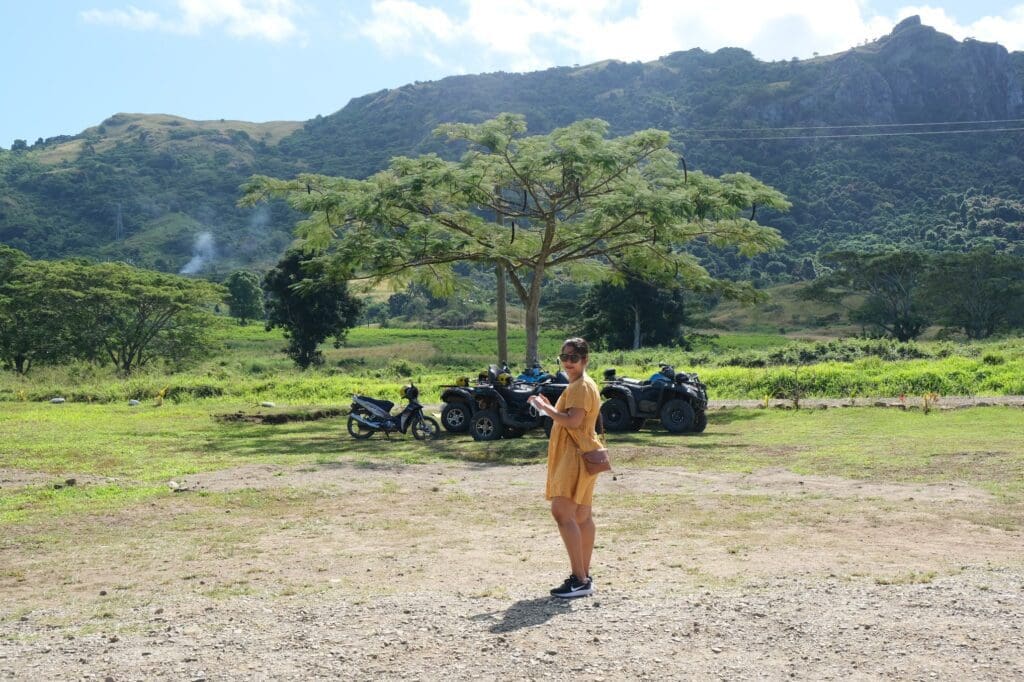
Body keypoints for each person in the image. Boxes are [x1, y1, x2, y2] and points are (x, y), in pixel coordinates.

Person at [527, 337, 603, 599]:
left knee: (562, 512)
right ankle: (583, 577)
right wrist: (550, 407)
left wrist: (546, 409)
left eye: (574, 358)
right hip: (584, 455)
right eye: (565, 357)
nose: (568, 363)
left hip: (575, 457)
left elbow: (573, 421)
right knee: (581, 517)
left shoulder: (581, 386)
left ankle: (580, 578)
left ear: (585, 359)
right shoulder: (581, 384)